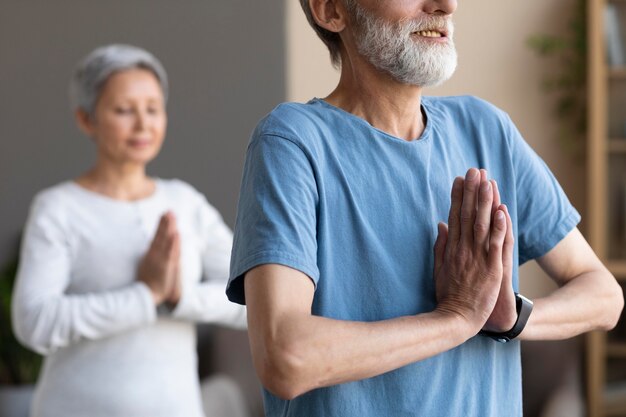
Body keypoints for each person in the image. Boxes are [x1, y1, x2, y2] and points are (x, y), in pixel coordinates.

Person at [225, 1, 624, 416]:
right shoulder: (292, 143)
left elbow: (603, 295)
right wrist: (455, 319)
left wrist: (510, 318)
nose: (446, 5)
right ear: (331, 11)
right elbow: (286, 357)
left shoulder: (487, 130)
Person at [11, 44, 246, 417]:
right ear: (86, 119)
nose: (143, 124)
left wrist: (179, 296)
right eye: (124, 110)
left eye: (153, 109)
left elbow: (253, 297)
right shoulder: (59, 208)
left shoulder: (184, 203)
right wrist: (144, 295)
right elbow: (34, 322)